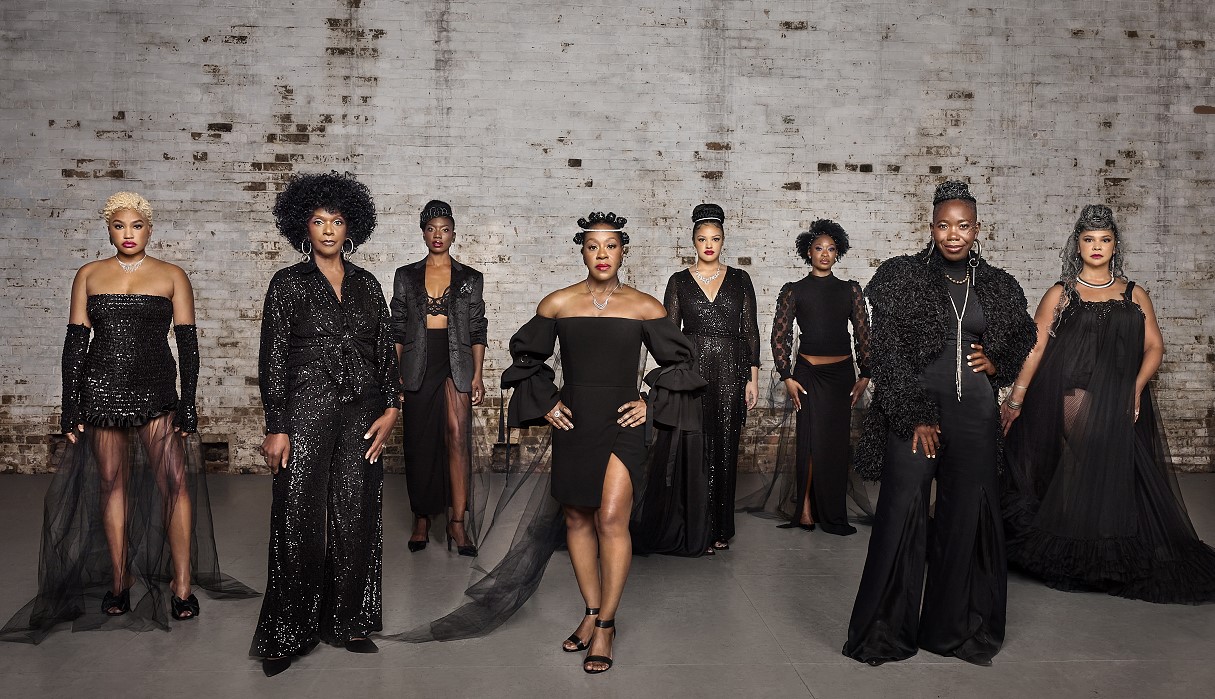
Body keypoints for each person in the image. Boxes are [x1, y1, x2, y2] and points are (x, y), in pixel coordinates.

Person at [1, 192, 256, 644]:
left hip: (158, 391)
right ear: (108, 229)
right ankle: (120, 580)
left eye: (136, 225)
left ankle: (181, 585)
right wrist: (69, 404)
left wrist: (189, 400)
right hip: (101, 391)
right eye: (120, 226)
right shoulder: (89, 275)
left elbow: (189, 346)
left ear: (150, 228)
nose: (128, 234)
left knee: (174, 483)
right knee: (110, 484)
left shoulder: (172, 275)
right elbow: (75, 344)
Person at [842, 181, 1036, 667]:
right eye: (944, 225)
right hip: (916, 412)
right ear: (931, 228)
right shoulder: (900, 277)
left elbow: (1023, 337)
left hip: (975, 414)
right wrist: (915, 416)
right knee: (901, 512)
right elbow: (882, 354)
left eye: (963, 225)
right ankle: (884, 632)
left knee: (965, 517)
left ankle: (956, 630)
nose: (954, 234)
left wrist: (998, 362)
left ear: (976, 229)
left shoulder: (997, 284)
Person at [1000, 204, 1215, 603]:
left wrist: (1134, 388)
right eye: (1088, 239)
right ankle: (1086, 548)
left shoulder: (1135, 293)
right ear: (1077, 245)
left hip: (1122, 394)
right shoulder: (1060, 293)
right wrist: (1016, 396)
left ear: (1115, 245)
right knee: (1097, 456)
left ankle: (1111, 545)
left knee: (1122, 471)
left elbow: (1155, 347)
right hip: (1072, 392)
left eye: (1104, 239)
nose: (1096, 247)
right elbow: (1036, 346)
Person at [251, 173, 401, 676]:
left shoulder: (367, 284)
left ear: (351, 226)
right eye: (318, 221)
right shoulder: (288, 284)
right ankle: (286, 632)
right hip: (306, 412)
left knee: (357, 516)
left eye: (337, 221)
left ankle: (351, 620)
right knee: (297, 518)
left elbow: (384, 352)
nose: (329, 230)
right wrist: (277, 426)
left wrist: (392, 408)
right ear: (303, 228)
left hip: (362, 412)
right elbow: (272, 360)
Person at [655, 203, 759, 553]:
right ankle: (693, 525)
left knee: (726, 446)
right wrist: (673, 377)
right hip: (693, 370)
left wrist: (753, 378)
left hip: (732, 369)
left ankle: (719, 527)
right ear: (693, 242)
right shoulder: (679, 281)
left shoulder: (741, 279)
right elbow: (668, 334)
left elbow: (751, 332)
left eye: (715, 238)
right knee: (693, 447)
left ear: (723, 240)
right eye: (702, 239)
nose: (709, 245)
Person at [389, 200, 487, 557]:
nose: (438, 235)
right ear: (423, 233)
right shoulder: (406, 275)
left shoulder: (470, 278)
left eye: (444, 229)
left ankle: (457, 522)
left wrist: (477, 374)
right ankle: (421, 517)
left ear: (454, 234)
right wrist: (393, 374)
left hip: (456, 360)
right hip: (417, 360)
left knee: (457, 437)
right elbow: (397, 326)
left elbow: (477, 328)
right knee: (419, 441)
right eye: (431, 229)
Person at [769, 219, 872, 536]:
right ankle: (805, 510)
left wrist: (865, 374)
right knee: (810, 444)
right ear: (808, 252)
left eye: (830, 249)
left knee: (836, 445)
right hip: (808, 375)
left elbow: (863, 334)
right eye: (818, 248)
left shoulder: (850, 290)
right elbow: (779, 337)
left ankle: (832, 513)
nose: (824, 254)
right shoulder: (794, 291)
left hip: (842, 375)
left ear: (837, 252)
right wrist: (786, 375)